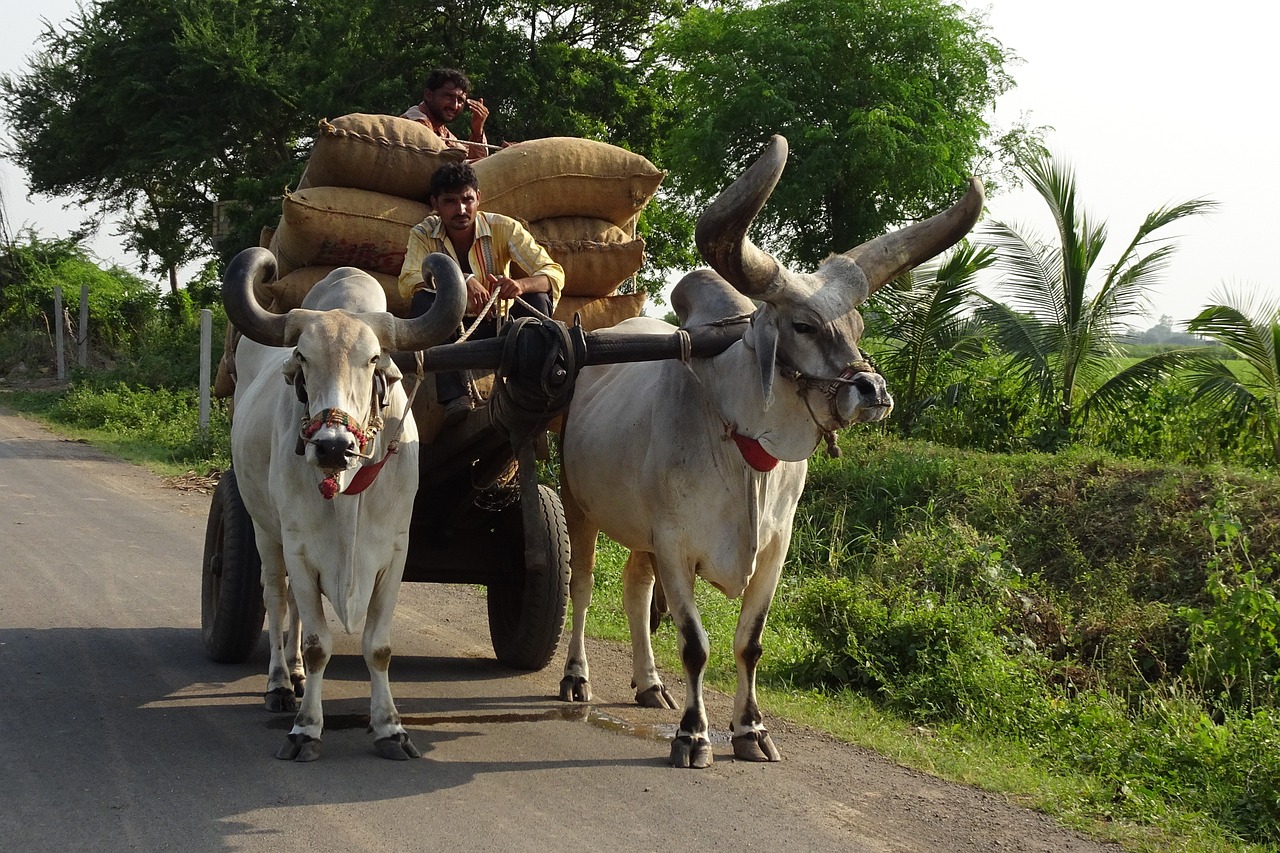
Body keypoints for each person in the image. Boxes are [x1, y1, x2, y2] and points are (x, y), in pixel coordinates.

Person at [399, 161, 565, 424]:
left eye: (467, 199)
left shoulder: (503, 227)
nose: (461, 209)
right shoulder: (423, 234)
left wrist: (520, 285)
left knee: (537, 299)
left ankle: (533, 385)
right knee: (422, 301)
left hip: (500, 325)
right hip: (451, 329)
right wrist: (460, 281)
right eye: (450, 201)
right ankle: (455, 397)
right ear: (435, 204)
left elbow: (553, 272)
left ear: (479, 198)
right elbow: (409, 281)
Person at [402, 68, 491, 161]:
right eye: (448, 96)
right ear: (428, 95)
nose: (454, 106)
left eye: (460, 100)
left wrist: (477, 131)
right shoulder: (414, 124)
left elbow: (476, 167)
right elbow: (442, 165)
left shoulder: (443, 132)